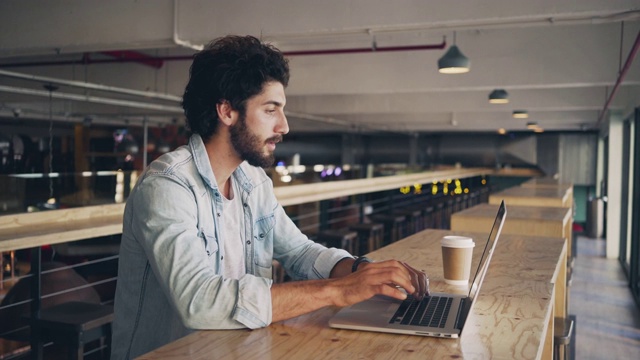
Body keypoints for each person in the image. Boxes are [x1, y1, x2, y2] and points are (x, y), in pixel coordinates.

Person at [111, 35, 429, 359]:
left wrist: (362, 272)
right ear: (227, 111)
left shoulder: (252, 182)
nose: (284, 126)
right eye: (270, 110)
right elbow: (199, 301)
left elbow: (300, 253)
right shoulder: (167, 186)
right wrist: (338, 291)